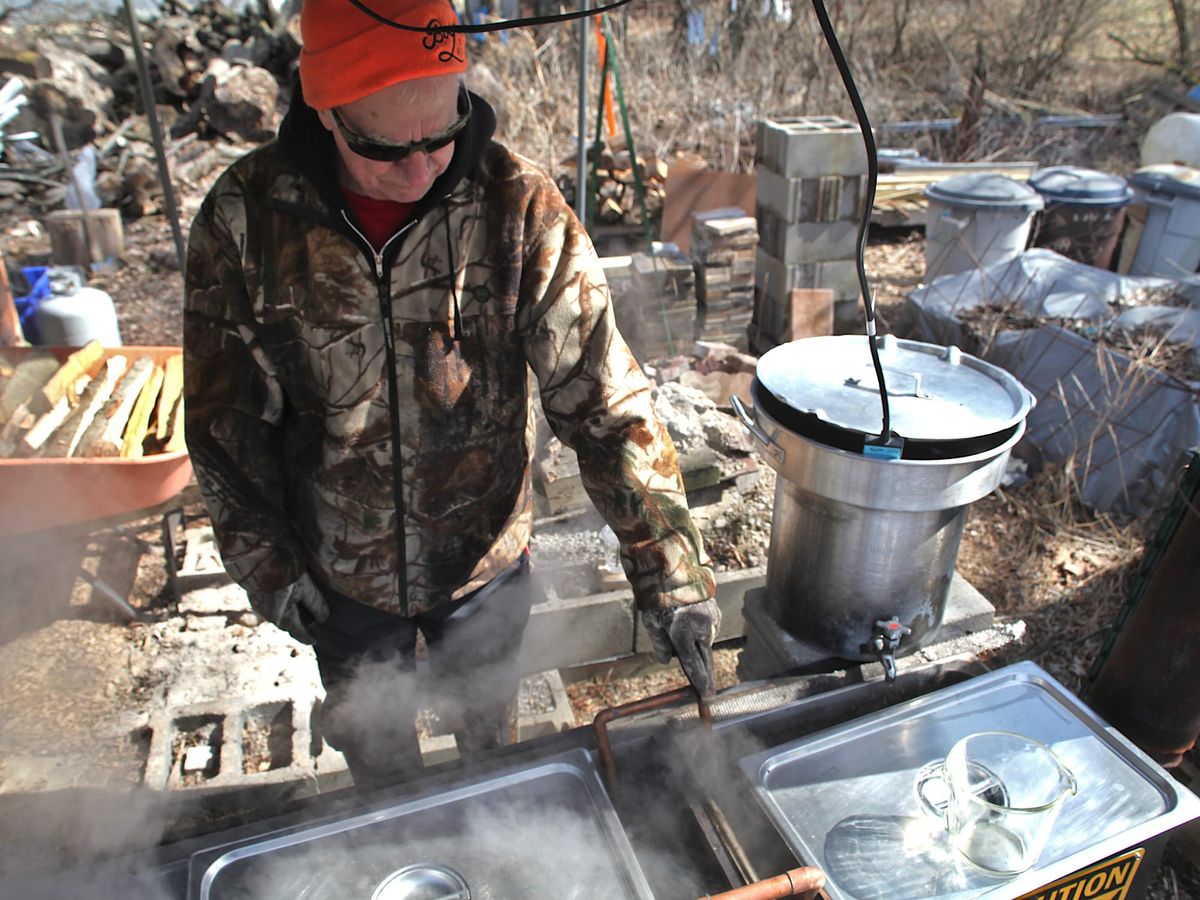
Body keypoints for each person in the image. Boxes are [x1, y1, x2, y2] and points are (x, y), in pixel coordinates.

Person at [183, 0, 720, 785]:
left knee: (491, 755)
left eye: (442, 135)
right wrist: (266, 561)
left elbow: (605, 400)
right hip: (340, 573)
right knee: (379, 763)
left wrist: (670, 571)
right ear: (325, 110)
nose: (421, 170)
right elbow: (224, 420)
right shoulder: (246, 220)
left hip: (483, 566)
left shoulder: (516, 206)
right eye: (384, 148)